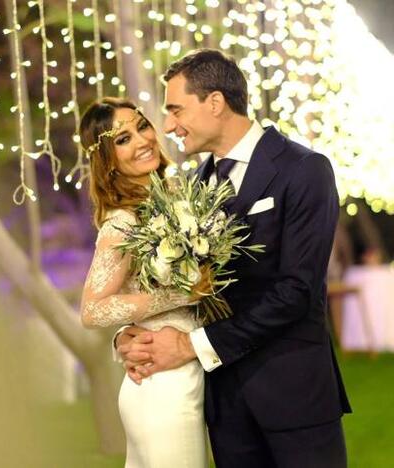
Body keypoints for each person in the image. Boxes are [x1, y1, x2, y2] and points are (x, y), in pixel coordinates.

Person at [116, 48, 351, 468]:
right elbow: (181, 289)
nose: (168, 125)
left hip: (293, 397)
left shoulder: (304, 169)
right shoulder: (192, 186)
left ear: (215, 102)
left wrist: (191, 345)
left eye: (175, 109)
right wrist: (132, 337)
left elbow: (296, 291)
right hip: (226, 405)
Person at [79, 97, 209, 468]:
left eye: (142, 127)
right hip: (161, 385)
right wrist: (177, 295)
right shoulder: (123, 223)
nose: (142, 141)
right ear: (106, 157)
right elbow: (92, 309)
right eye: (122, 139)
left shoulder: (177, 199)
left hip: (185, 369)